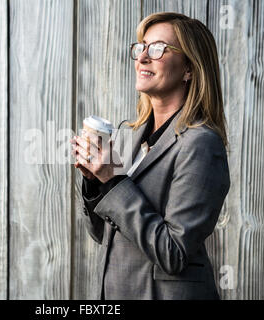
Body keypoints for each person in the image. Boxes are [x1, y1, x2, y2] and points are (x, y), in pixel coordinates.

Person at [70, 12, 230, 300]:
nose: (142, 57)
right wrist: (96, 183)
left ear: (189, 69)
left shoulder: (202, 144)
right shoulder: (129, 136)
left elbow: (174, 253)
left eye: (157, 48)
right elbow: (104, 235)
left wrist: (113, 181)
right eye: (141, 47)